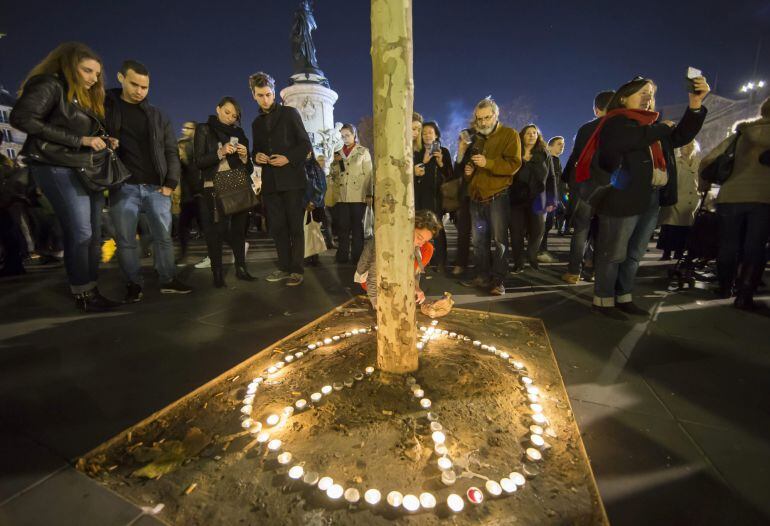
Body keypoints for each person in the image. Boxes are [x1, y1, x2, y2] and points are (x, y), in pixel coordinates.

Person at [577, 75, 709, 319]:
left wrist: (695, 105)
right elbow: (629, 141)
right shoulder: (616, 122)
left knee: (635, 253)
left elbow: (681, 136)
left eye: (652, 94)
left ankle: (623, 296)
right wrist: (662, 127)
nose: (649, 98)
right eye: (643, 93)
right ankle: (603, 300)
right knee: (613, 252)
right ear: (624, 98)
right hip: (622, 198)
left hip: (652, 197)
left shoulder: (651, 127)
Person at [10, 42, 121, 311]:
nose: (94, 78)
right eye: (87, 71)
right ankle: (82, 292)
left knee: (94, 234)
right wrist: (80, 139)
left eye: (97, 73)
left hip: (85, 167)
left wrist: (102, 140)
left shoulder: (83, 96)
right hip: (55, 165)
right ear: (69, 68)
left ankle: (90, 287)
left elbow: (76, 127)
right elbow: (22, 118)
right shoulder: (49, 84)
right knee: (81, 232)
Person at [106, 60, 191, 302]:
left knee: (163, 237)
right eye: (134, 84)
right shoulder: (108, 110)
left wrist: (171, 182)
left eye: (145, 87)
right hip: (123, 186)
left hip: (157, 187)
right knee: (126, 241)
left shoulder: (157, 115)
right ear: (121, 78)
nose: (139, 91)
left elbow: (170, 150)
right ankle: (133, 284)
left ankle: (168, 279)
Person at [701, 97, 770, 309]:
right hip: (763, 198)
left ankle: (724, 288)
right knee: (755, 247)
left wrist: (702, 186)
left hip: (730, 196)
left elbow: (708, 159)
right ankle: (744, 295)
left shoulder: (742, 133)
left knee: (728, 244)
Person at [250, 71, 312, 286]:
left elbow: (305, 145)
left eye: (268, 94)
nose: (265, 99)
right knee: (277, 228)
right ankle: (284, 267)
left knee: (295, 226)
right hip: (270, 183)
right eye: (260, 95)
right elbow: (256, 152)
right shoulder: (256, 123)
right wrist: (256, 157)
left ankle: (297, 270)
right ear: (254, 95)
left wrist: (287, 158)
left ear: (274, 92)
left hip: (293, 181)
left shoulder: (290, 113)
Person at [460, 97, 522, 296]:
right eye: (480, 119)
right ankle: (481, 275)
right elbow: (470, 166)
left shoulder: (509, 134)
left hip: (497, 197)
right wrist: (468, 172)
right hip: (476, 198)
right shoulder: (477, 137)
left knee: (499, 240)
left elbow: (514, 165)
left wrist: (488, 163)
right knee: (479, 240)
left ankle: (498, 280)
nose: (483, 122)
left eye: (487, 117)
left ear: (496, 115)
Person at [193, 97, 255, 288]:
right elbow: (199, 161)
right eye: (227, 112)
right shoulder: (204, 129)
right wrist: (220, 153)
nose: (230, 117)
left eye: (234, 115)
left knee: (238, 230)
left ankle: (241, 268)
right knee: (215, 232)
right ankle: (217, 274)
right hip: (213, 185)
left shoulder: (239, 133)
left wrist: (245, 157)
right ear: (218, 109)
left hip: (237, 185)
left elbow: (250, 169)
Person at [560, 90, 615, 284]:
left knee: (581, 230)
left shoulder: (586, 129)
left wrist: (565, 178)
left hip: (586, 188)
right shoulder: (621, 128)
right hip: (610, 187)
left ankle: (574, 271)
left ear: (596, 109)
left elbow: (576, 157)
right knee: (601, 232)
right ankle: (592, 270)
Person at [355, 209, 443, 309]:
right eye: (419, 237)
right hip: (371, 280)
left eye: (425, 240)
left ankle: (400, 289)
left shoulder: (421, 246)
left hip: (398, 277)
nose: (421, 243)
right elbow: (373, 278)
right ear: (409, 227)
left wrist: (416, 287)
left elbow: (416, 272)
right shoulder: (387, 240)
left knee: (428, 248)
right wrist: (378, 306)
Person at [509, 124, 557, 272]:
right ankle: (519, 263)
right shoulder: (514, 152)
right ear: (522, 136)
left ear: (538, 136)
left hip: (538, 199)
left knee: (537, 231)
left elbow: (551, 178)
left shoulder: (544, 154)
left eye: (534, 133)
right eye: (528, 133)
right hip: (516, 199)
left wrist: (551, 200)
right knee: (516, 233)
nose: (531, 135)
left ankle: (532, 255)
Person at [330, 123, 373, 264]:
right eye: (342, 136)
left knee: (356, 226)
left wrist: (369, 194)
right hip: (342, 196)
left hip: (358, 195)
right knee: (342, 226)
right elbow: (335, 175)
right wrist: (335, 165)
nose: (345, 139)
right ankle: (342, 254)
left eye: (347, 135)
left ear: (354, 135)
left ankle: (357, 255)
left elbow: (369, 175)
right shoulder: (338, 153)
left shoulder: (363, 151)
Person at [414, 121, 453, 272]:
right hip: (421, 196)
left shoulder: (443, 151)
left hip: (437, 197)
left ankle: (441, 261)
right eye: (424, 133)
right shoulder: (417, 152)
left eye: (430, 132)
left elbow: (450, 175)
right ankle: (425, 260)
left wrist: (441, 162)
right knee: (421, 229)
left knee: (438, 230)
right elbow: (415, 177)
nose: (427, 135)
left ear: (436, 134)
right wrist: (423, 161)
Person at [657, 140, 700, 261]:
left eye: (686, 146)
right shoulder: (676, 161)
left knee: (684, 228)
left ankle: (679, 252)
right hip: (676, 198)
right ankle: (667, 252)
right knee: (670, 226)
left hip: (691, 201)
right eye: (683, 146)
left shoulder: (698, 162)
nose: (683, 149)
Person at [176, 121, 202, 266]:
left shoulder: (196, 146)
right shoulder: (183, 143)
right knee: (183, 226)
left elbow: (194, 168)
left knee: (207, 226)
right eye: (184, 127)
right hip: (188, 194)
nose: (184, 130)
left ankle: (237, 245)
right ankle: (183, 254)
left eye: (188, 128)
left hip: (198, 193)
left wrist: (183, 157)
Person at [538, 136, 565, 262]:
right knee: (544, 225)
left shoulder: (556, 160)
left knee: (548, 225)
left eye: (563, 144)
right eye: (559, 144)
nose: (562, 146)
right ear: (550, 146)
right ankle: (540, 251)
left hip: (554, 198)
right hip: (547, 199)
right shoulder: (548, 159)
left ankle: (542, 249)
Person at [451, 128, 474, 276]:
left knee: (482, 234)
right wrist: (460, 152)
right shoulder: (460, 155)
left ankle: (483, 265)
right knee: (463, 232)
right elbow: (456, 174)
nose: (462, 141)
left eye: (465, 138)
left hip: (480, 195)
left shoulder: (478, 151)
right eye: (460, 139)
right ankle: (460, 263)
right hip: (465, 198)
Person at [304, 151, 328, 266]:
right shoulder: (302, 165)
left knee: (313, 230)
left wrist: (314, 201)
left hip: (313, 204)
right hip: (305, 203)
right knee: (307, 231)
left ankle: (313, 257)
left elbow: (322, 185)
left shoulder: (314, 166)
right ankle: (309, 256)